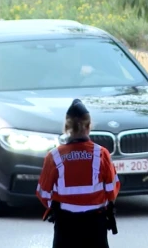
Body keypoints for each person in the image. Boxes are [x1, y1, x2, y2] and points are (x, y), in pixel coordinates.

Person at [36, 99, 121, 248]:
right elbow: (111, 191)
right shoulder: (101, 154)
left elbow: (43, 193)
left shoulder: (54, 156)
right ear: (88, 126)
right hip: (95, 225)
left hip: (65, 225)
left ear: (67, 126)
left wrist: (56, 206)